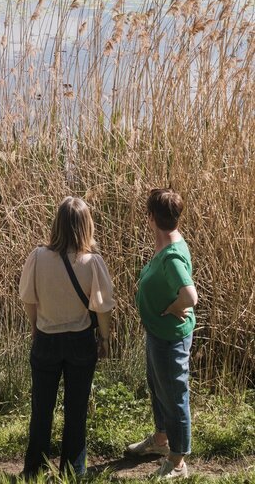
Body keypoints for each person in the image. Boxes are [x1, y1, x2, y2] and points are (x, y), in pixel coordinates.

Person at [19, 196, 114, 479]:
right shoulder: (92, 262)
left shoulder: (37, 257)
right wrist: (105, 339)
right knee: (76, 410)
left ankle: (33, 469)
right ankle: (72, 471)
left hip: (46, 338)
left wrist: (35, 325)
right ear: (87, 226)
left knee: (41, 409)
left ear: (56, 224)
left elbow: (27, 298)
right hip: (80, 341)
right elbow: (103, 307)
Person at [126, 188, 198, 479]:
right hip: (159, 334)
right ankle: (160, 441)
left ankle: (178, 461)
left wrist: (172, 307)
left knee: (174, 396)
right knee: (159, 389)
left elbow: (190, 296)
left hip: (170, 339)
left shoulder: (171, 256)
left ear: (151, 217)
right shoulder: (167, 243)